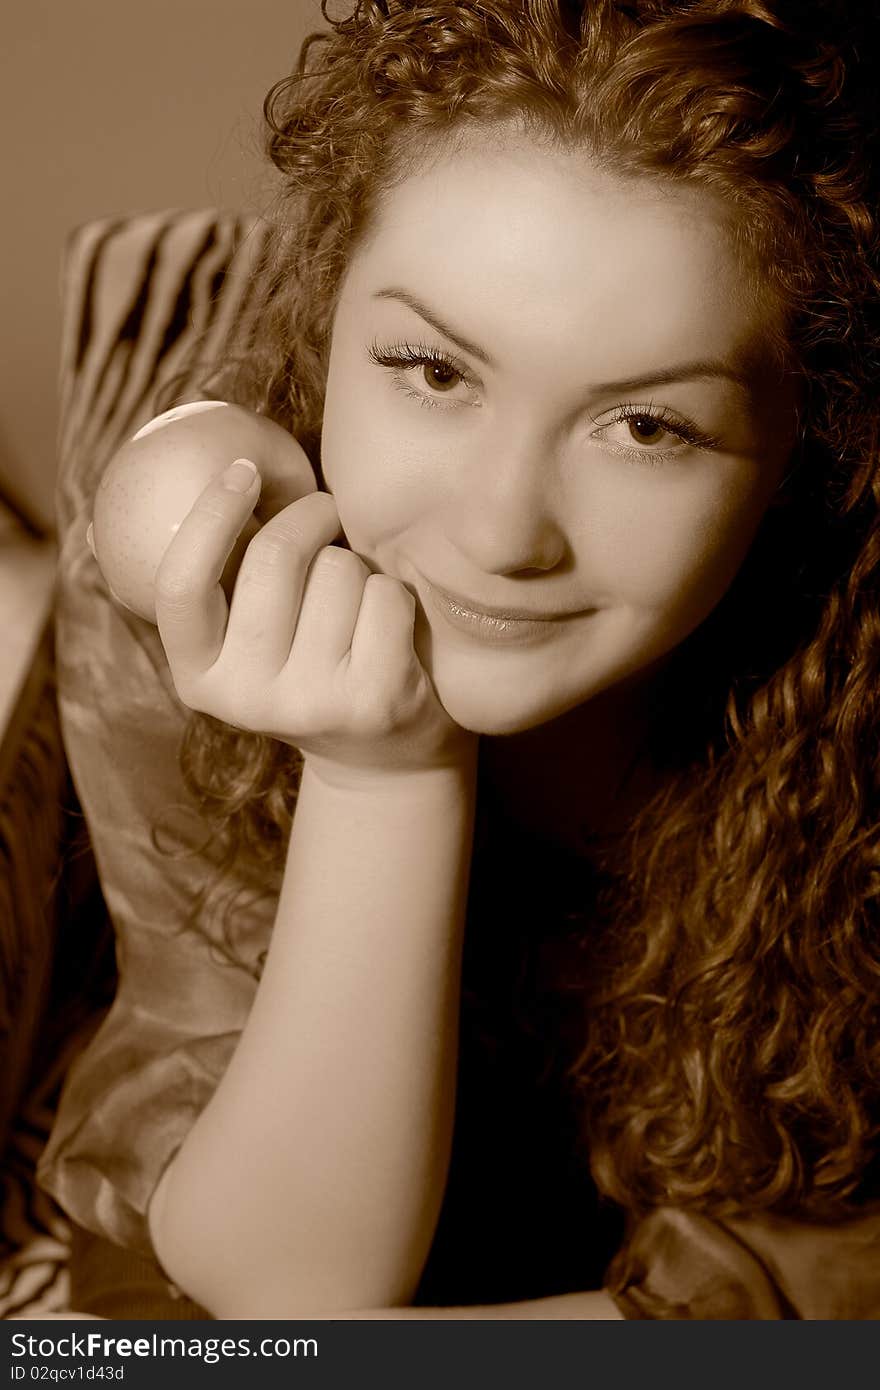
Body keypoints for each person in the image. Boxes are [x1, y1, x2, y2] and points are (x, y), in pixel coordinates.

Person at [38, 0, 880, 1319]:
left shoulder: (847, 686)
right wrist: (381, 769)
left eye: (650, 425)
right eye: (434, 368)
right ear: (323, 335)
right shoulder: (193, 587)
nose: (498, 534)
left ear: (799, 461)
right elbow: (278, 1290)